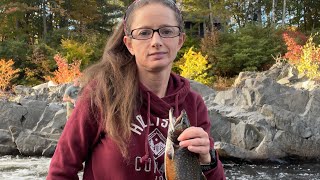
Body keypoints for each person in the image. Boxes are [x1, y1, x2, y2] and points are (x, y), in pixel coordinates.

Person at [47, 0, 226, 179]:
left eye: (166, 31)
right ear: (129, 44)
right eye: (144, 33)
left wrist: (208, 160)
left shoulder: (193, 103)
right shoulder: (102, 95)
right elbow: (60, 171)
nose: (156, 41)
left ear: (180, 40)